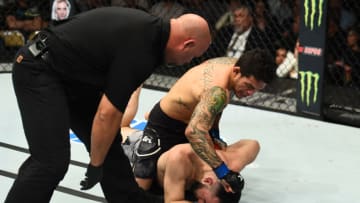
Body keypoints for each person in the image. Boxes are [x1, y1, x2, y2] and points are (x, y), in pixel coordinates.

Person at [6, 6, 211, 203]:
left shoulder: (151, 34)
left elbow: (108, 116)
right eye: (192, 56)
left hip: (73, 77)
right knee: (50, 161)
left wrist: (100, 160)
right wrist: (96, 166)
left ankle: (129, 200)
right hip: (39, 69)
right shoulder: (144, 45)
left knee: (107, 141)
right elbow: (107, 113)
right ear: (187, 44)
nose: (186, 62)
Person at [133, 49, 276, 193]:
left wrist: (214, 132)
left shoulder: (230, 65)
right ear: (237, 71)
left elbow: (215, 108)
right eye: (249, 86)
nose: (250, 94)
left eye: (256, 90)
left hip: (194, 120)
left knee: (198, 176)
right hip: (164, 125)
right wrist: (223, 173)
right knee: (142, 187)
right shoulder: (218, 90)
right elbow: (194, 132)